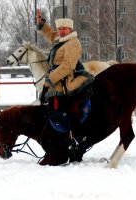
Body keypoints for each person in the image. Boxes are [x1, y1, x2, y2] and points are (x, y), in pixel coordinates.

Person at [36, 9, 94, 144]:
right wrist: (41, 23)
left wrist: (50, 79)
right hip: (57, 79)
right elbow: (50, 34)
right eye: (60, 29)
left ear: (70, 29)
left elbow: (67, 66)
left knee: (63, 109)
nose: (61, 31)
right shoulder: (61, 40)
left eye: (64, 29)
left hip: (67, 79)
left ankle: (78, 136)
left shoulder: (73, 43)